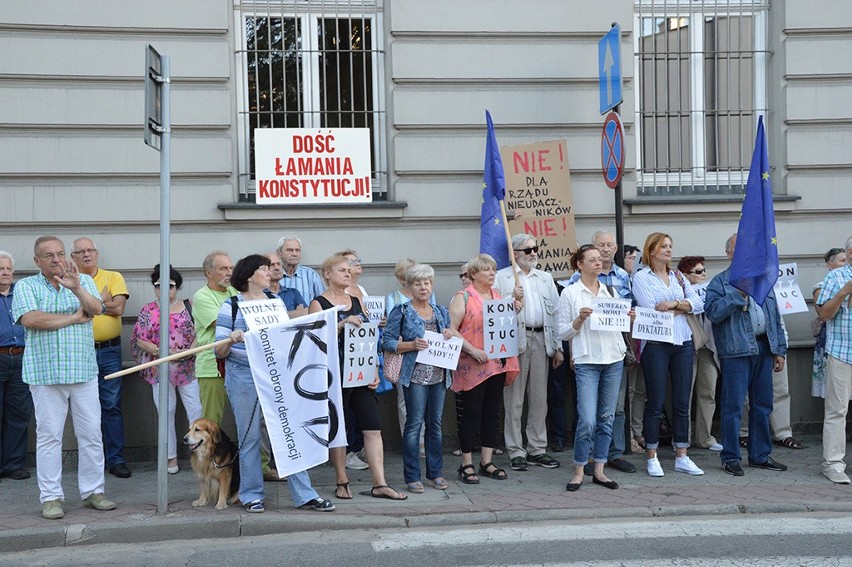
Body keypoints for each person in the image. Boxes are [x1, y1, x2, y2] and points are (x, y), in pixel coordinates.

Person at [215, 254, 335, 513]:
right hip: (243, 374)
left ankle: (305, 494)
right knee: (250, 436)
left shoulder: (275, 302)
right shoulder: (231, 305)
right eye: (263, 269)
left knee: (288, 431)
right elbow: (219, 351)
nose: (269, 273)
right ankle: (252, 495)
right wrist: (231, 339)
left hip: (275, 373)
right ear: (249, 276)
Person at [12, 236, 116, 519]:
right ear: (37, 261)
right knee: (49, 437)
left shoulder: (81, 279)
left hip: (82, 370)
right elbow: (32, 320)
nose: (56, 259)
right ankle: (51, 497)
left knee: (92, 433)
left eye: (59, 253)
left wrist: (78, 289)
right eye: (48, 255)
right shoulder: (26, 286)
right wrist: (71, 318)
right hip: (45, 374)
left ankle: (94, 492)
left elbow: (97, 309)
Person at [310, 253, 407, 501]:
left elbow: (368, 337)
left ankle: (380, 483)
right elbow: (314, 341)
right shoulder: (319, 303)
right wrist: (341, 325)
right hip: (334, 375)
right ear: (327, 274)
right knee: (339, 428)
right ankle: (342, 480)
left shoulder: (356, 299)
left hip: (360, 373)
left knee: (373, 427)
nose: (347, 272)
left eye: (348, 269)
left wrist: (373, 368)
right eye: (341, 269)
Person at [704, 233, 788, 477]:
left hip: (764, 348)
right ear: (729, 254)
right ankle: (730, 456)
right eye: (738, 249)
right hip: (736, 351)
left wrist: (779, 350)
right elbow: (713, 313)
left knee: (763, 405)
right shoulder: (720, 282)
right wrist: (736, 294)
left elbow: (774, 316)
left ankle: (760, 455)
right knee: (733, 406)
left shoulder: (764, 279)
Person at [632, 232, 704, 477]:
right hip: (656, 343)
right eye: (663, 246)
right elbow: (650, 308)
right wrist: (682, 305)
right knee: (655, 400)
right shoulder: (641, 277)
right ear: (651, 250)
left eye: (670, 245)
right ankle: (652, 456)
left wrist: (674, 305)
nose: (668, 249)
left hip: (683, 341)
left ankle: (681, 455)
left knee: (682, 401)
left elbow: (698, 304)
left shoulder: (678, 276)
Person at [558, 244, 628, 491]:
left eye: (600, 259)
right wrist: (579, 319)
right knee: (587, 419)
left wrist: (628, 319)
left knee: (606, 417)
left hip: (613, 358)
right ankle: (579, 468)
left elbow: (618, 321)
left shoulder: (609, 290)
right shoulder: (570, 293)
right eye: (593, 260)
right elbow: (562, 332)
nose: (599, 263)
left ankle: (599, 469)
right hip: (587, 360)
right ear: (580, 264)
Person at [383, 264, 456, 493]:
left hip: (439, 376)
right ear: (409, 286)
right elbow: (387, 342)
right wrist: (411, 345)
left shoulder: (441, 311)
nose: (423, 287)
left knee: (435, 425)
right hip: (414, 377)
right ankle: (412, 476)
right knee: (414, 425)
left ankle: (436, 473)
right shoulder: (401, 311)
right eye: (418, 283)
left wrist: (449, 333)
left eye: (427, 282)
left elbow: (450, 335)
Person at [448, 254, 519, 484]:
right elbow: (451, 330)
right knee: (470, 413)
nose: (492, 273)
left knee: (492, 412)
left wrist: (515, 309)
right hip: (472, 364)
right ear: (474, 274)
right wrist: (471, 350)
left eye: (493, 269)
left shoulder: (497, 296)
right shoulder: (463, 297)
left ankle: (486, 461)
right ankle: (466, 463)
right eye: (487, 270)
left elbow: (503, 326)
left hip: (495, 365)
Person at [493, 234, 562, 471]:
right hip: (515, 342)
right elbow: (491, 313)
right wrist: (510, 300)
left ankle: (537, 448)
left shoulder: (545, 278)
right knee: (514, 399)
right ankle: (515, 450)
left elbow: (557, 313)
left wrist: (558, 347)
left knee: (539, 398)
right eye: (528, 249)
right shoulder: (502, 278)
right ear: (516, 254)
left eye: (535, 248)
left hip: (542, 338)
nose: (533, 253)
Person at [130, 264, 202, 474]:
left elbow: (200, 331)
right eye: (159, 286)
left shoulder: (189, 306)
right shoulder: (148, 310)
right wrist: (161, 351)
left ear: (177, 287)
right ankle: (170, 457)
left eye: (169, 286)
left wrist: (190, 350)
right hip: (159, 369)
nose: (164, 290)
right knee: (166, 412)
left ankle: (199, 452)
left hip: (187, 368)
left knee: (195, 410)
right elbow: (139, 339)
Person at [71, 237, 131, 479]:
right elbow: (105, 306)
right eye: (80, 252)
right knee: (84, 408)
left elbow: (120, 309)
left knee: (111, 406)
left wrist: (94, 304)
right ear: (73, 257)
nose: (86, 255)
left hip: (109, 351)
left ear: (96, 253)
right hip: (80, 350)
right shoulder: (70, 281)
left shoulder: (113, 277)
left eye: (90, 250)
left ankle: (116, 460)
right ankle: (93, 463)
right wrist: (104, 300)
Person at [815, 236, 852, 484]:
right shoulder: (835, 277)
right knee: (837, 410)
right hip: (842, 351)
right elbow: (824, 314)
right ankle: (833, 463)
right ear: (850, 253)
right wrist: (843, 292)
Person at [676, 255, 722, 451]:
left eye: (704, 271)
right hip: (686, 346)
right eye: (698, 271)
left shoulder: (710, 291)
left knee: (708, 392)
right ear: (685, 275)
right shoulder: (678, 291)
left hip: (708, 348)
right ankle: (681, 439)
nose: (703, 275)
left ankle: (705, 437)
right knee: (683, 395)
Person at [192, 251, 235, 424]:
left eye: (231, 268)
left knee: (247, 418)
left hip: (235, 365)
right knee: (211, 424)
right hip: (211, 368)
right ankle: (209, 453)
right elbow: (223, 324)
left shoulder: (235, 292)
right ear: (209, 273)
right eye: (223, 268)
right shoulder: (202, 296)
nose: (229, 272)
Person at [0, 251, 32, 481]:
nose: (6, 273)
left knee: (19, 413)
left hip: (22, 358)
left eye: (9, 269)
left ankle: (13, 464)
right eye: (1, 269)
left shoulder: (22, 293)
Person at [812, 247, 847, 399]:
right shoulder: (821, 287)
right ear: (830, 265)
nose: (846, 264)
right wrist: (844, 292)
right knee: (835, 391)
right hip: (832, 343)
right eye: (842, 260)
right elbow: (823, 313)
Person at [277, 235, 324, 303]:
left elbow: (322, 303)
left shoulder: (311, 275)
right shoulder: (272, 275)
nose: (295, 254)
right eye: (290, 250)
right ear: (279, 253)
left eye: (297, 250)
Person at [265, 252, 307, 318]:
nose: (277, 268)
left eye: (279, 264)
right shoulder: (259, 294)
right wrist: (295, 314)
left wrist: (276, 316)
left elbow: (306, 313)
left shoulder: (293, 293)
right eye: (272, 265)